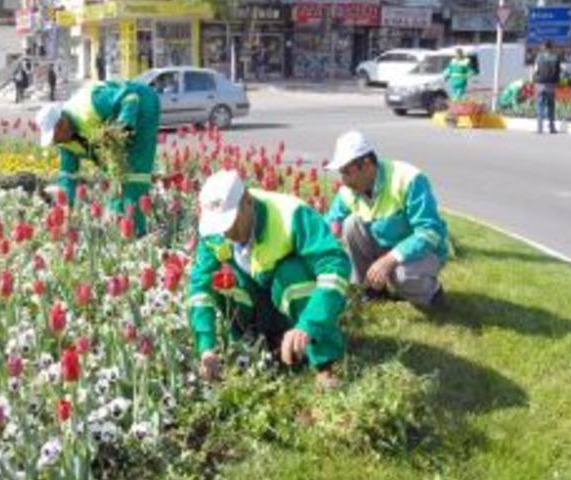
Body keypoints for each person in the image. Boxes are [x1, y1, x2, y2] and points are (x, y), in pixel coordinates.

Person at [188, 170, 351, 389]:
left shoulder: (291, 215)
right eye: (220, 225)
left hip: (289, 301)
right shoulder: (215, 232)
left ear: (247, 200)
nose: (226, 232)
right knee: (220, 280)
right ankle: (254, 344)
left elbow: (334, 268)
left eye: (231, 222)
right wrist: (206, 347)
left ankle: (323, 363)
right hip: (254, 304)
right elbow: (200, 289)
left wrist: (308, 324)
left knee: (291, 273)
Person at [325, 131, 447, 308]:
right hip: (384, 244)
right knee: (350, 224)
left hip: (424, 251)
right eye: (341, 173)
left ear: (366, 164)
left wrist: (390, 259)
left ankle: (433, 295)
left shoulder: (408, 179)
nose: (343, 180)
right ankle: (372, 290)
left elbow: (430, 232)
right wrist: (331, 230)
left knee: (402, 276)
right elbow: (333, 219)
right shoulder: (350, 188)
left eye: (347, 172)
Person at [36, 80, 160, 237]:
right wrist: (66, 206)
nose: (56, 142)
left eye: (55, 137)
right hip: (119, 128)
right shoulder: (65, 143)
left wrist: (121, 128)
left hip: (143, 104)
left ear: (61, 124)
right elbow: (67, 176)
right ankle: (120, 227)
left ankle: (137, 234)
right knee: (117, 175)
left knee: (134, 175)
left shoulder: (91, 104)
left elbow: (130, 97)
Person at [533, 41, 562, 134]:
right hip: (551, 84)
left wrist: (535, 80)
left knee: (540, 105)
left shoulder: (539, 57)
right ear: (551, 47)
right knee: (551, 106)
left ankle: (539, 128)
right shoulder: (556, 58)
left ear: (544, 47)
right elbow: (558, 71)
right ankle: (552, 128)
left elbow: (536, 70)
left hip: (540, 84)